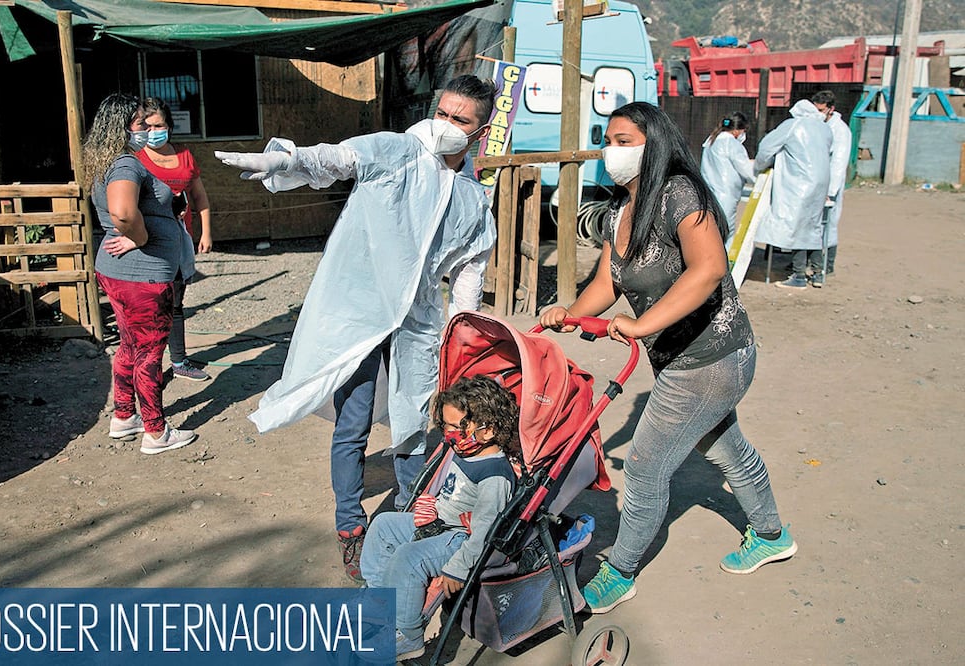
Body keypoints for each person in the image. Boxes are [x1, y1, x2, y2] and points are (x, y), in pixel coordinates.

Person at [215, 75, 497, 583]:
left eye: (462, 120)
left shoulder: (474, 199)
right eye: (444, 113)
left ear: (482, 128)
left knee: (416, 422)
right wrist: (285, 161)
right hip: (360, 310)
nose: (448, 126)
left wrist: (463, 335)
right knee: (354, 422)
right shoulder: (398, 153)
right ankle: (351, 528)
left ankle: (415, 520)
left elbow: (469, 275)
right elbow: (338, 159)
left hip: (418, 322)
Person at [539, 102, 796, 614]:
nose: (612, 150)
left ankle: (620, 571)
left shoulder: (680, 193)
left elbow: (706, 270)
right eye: (608, 139)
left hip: (710, 358)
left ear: (654, 143)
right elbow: (610, 280)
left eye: (624, 140)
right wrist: (569, 313)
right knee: (725, 448)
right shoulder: (620, 209)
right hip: (685, 360)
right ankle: (770, 534)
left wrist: (640, 326)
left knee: (644, 468)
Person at [359, 375, 520, 661]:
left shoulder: (494, 477)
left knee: (409, 558)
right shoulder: (465, 449)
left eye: (453, 426)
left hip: (460, 537)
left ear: (488, 430)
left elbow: (484, 533)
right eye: (444, 424)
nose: (447, 433)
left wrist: (458, 567)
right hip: (438, 523)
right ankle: (379, 601)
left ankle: (407, 634)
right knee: (383, 525)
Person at [85, 93, 197, 455]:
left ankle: (123, 416)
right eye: (140, 124)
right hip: (143, 277)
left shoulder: (107, 162)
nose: (147, 130)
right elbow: (122, 213)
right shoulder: (125, 165)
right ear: (122, 127)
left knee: (130, 346)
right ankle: (156, 431)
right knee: (150, 351)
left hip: (120, 274)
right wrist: (142, 238)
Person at [135, 97, 213, 382]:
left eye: (160, 125)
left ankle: (179, 361)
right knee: (152, 306)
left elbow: (199, 197)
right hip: (146, 245)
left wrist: (205, 232)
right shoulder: (134, 160)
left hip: (178, 242)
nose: (155, 130)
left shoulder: (184, 157)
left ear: (169, 125)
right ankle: (147, 367)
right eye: (149, 126)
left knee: (176, 302)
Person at [753, 99, 833, 289]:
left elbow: (766, 148)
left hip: (797, 185)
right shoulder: (824, 129)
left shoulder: (792, 126)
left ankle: (798, 275)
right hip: (819, 184)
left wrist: (758, 167)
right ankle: (817, 272)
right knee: (812, 227)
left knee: (796, 228)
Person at [811, 90, 852, 278]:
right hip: (816, 181)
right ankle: (812, 261)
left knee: (829, 223)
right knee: (813, 223)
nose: (818, 113)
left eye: (821, 110)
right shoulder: (817, 125)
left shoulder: (840, 130)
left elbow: (839, 163)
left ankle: (828, 264)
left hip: (829, 185)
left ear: (831, 109)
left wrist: (831, 190)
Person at [699, 112, 755, 248]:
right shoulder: (731, 144)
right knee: (725, 231)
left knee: (710, 229)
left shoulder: (711, 141)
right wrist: (758, 177)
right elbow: (745, 168)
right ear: (737, 131)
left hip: (710, 192)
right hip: (726, 194)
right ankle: (724, 264)